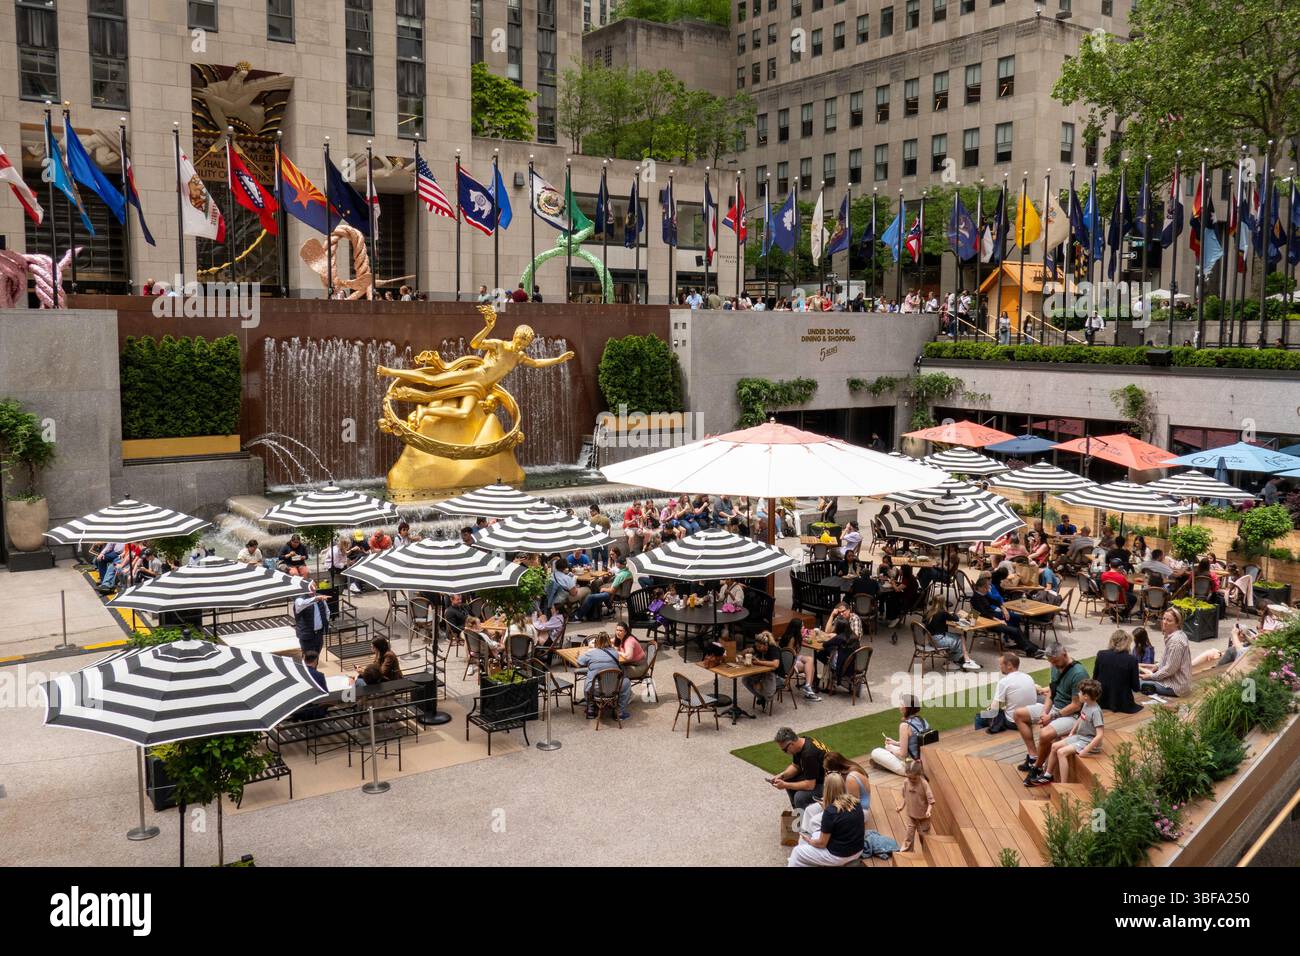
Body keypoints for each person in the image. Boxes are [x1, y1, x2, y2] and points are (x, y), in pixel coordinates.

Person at [1015, 643, 1088, 782]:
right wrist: (1044, 713)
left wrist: (1051, 716)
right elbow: (1052, 691)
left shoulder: (1079, 673)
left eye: (1056, 661)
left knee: (1045, 733)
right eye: (1051, 662)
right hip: (1055, 708)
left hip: (1072, 715)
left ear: (1065, 654)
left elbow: (1076, 705)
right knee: (1019, 714)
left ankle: (1036, 768)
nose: (1054, 665)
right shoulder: (1054, 666)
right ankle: (1033, 756)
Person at [1030, 679, 1105, 785]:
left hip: (1088, 741)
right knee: (1055, 746)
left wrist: (1085, 750)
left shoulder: (1096, 711)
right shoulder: (1086, 704)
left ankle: (1064, 784)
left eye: (1080, 692)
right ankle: (1047, 775)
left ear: (1086, 696)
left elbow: (1100, 735)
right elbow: (1081, 718)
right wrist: (1072, 731)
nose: (1078, 694)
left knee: (1061, 752)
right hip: (1080, 737)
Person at [786, 772, 864, 867]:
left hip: (840, 856)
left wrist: (810, 841)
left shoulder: (831, 811)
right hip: (858, 850)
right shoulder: (855, 802)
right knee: (814, 834)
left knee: (797, 852)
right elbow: (841, 822)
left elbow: (821, 844)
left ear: (827, 789)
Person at [971, 574, 1042, 656]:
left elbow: (995, 601)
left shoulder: (983, 594)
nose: (987, 589)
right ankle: (1031, 650)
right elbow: (984, 614)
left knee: (1016, 618)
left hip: (993, 616)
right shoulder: (975, 598)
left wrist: (1003, 609)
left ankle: (1026, 645)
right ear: (979, 588)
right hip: (989, 622)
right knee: (1014, 630)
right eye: (986, 588)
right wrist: (999, 621)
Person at [870, 695, 931, 776]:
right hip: (926, 761)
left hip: (912, 767)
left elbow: (903, 754)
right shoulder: (923, 721)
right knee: (891, 747)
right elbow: (916, 741)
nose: (899, 707)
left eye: (901, 704)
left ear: (906, 708)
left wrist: (891, 749)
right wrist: (895, 743)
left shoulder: (905, 726)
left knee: (876, 752)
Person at [770, 727, 829, 810]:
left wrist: (785, 785)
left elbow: (810, 785)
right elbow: (795, 766)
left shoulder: (809, 755)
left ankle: (803, 819)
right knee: (787, 778)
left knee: (800, 797)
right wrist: (782, 776)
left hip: (829, 784)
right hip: (818, 777)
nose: (785, 752)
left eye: (784, 750)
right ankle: (797, 811)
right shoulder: (802, 743)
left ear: (791, 744)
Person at [577, 631, 632, 720]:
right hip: (614, 689)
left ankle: (590, 710)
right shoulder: (615, 653)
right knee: (626, 682)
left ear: (597, 642)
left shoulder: (591, 653)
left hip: (595, 690)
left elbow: (579, 662)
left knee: (589, 680)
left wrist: (584, 653)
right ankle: (620, 712)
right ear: (609, 641)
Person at [1140, 608, 1192, 697]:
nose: (1164, 622)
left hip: (1175, 686)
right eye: (1164, 618)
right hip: (1173, 680)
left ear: (1177, 623)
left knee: (1135, 681)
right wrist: (1156, 666)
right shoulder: (1174, 635)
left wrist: (1151, 676)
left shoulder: (1176, 641)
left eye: (1169, 620)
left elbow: (1170, 669)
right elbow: (1170, 661)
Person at [922, 594, 982, 671]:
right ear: (943, 603)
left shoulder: (928, 613)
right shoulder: (943, 613)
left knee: (959, 637)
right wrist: (952, 614)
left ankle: (962, 659)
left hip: (931, 639)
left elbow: (927, 621)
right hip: (939, 640)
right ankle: (960, 660)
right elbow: (956, 619)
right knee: (961, 638)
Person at [983, 652, 1038, 733]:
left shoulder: (1004, 682)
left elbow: (995, 707)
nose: (1000, 666)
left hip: (1014, 723)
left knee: (981, 717)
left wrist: (987, 711)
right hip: (1031, 720)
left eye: (1001, 664)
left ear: (1009, 665)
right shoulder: (1028, 677)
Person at [1093, 630, 1143, 713]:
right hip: (1123, 703)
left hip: (1101, 700)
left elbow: (1095, 678)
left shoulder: (1101, 654)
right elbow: (1136, 687)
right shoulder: (1131, 660)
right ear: (1127, 643)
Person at [573, 557, 630, 622]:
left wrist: (604, 589)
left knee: (590, 597)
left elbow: (612, 590)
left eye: (617, 563)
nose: (616, 564)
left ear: (618, 564)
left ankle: (577, 617)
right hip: (621, 592)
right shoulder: (628, 573)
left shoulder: (620, 575)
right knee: (596, 584)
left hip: (614, 594)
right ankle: (604, 612)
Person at [897, 759, 935, 853]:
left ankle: (927, 852)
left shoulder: (924, 784)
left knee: (924, 835)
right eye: (909, 778)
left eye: (914, 778)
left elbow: (931, 801)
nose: (911, 780)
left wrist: (928, 811)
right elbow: (906, 796)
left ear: (919, 774)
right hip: (911, 815)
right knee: (909, 835)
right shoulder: (906, 782)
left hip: (923, 817)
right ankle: (907, 852)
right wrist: (901, 806)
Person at [777, 627, 823, 702]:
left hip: (796, 657)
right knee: (811, 666)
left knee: (810, 660)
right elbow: (790, 655)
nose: (803, 627)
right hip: (789, 661)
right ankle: (809, 691)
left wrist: (803, 638)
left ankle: (808, 686)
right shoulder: (792, 639)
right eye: (802, 626)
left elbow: (796, 653)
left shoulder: (795, 636)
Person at [743, 630, 783, 709]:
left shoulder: (773, 649)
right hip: (763, 673)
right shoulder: (758, 647)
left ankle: (765, 697)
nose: (758, 648)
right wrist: (747, 651)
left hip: (776, 676)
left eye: (759, 647)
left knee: (767, 693)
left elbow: (775, 664)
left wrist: (759, 662)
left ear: (765, 645)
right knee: (745, 679)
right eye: (756, 646)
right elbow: (743, 653)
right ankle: (762, 698)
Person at [293, 581, 331, 655]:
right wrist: (316, 598)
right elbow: (302, 604)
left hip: (318, 634)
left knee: (316, 656)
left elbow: (327, 612)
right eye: (310, 588)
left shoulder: (320, 597)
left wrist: (325, 623)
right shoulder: (300, 599)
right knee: (308, 658)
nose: (312, 590)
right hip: (306, 634)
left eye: (314, 587)